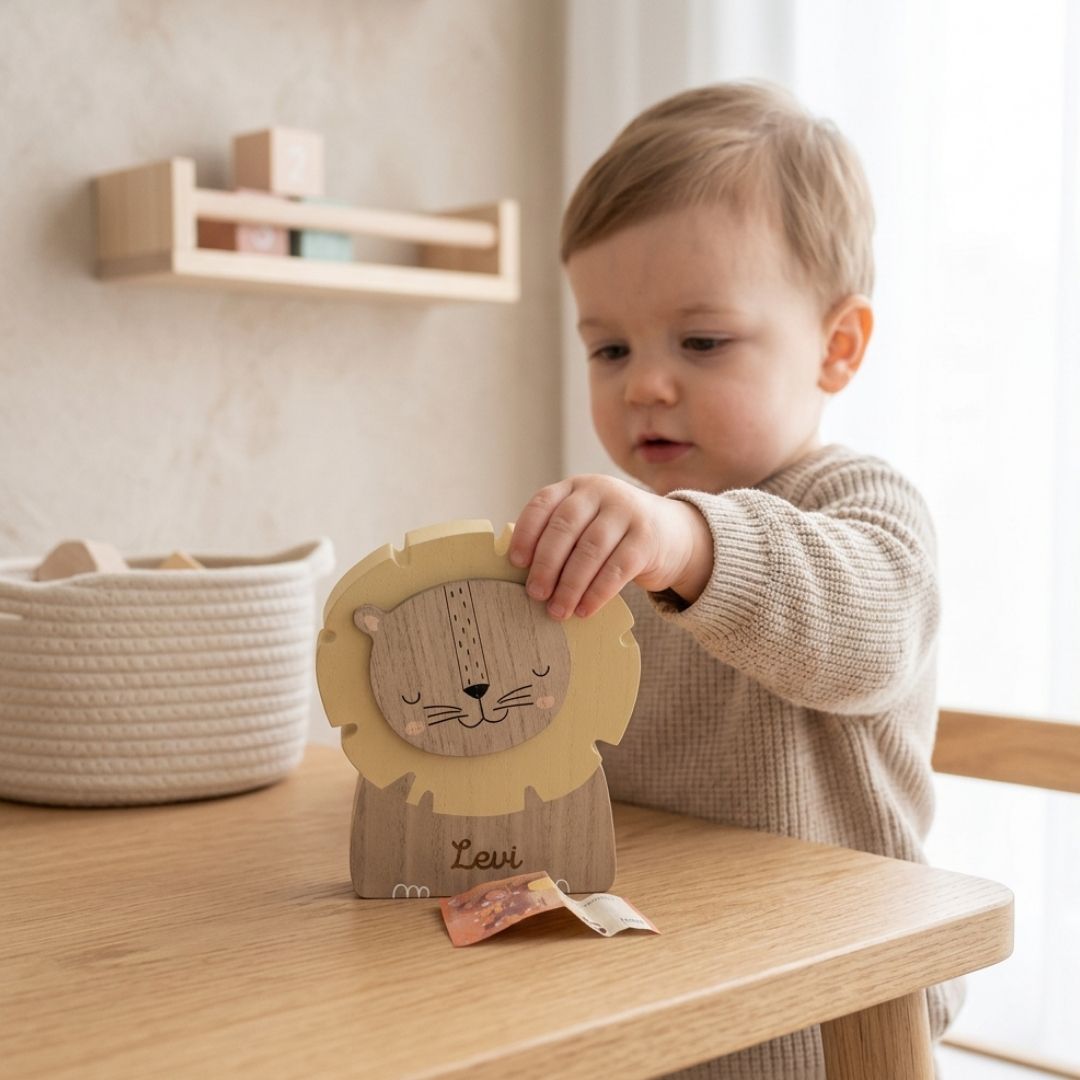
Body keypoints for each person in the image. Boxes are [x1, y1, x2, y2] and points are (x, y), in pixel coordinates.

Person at [508, 80, 962, 1080]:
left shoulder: (860, 502)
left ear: (837, 348)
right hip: (654, 982)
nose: (644, 385)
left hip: (829, 1014)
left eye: (702, 342)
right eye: (609, 347)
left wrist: (688, 545)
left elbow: (864, 631)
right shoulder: (634, 533)